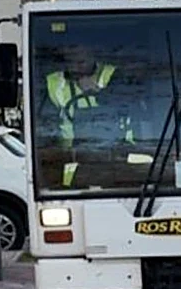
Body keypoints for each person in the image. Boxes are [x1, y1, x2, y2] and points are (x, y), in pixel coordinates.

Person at [38, 44, 135, 188]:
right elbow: (45, 128)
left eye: (81, 62)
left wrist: (97, 91)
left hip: (118, 156)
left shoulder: (113, 75)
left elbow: (128, 103)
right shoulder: (53, 83)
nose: (75, 68)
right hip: (73, 163)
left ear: (93, 56)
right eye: (70, 62)